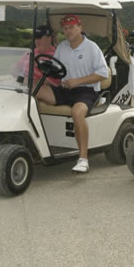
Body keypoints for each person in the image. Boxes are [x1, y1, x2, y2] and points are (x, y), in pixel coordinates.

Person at [36, 14, 109, 173]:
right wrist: (46, 76)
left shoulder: (92, 48)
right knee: (34, 91)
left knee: (77, 113)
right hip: (65, 88)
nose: (68, 31)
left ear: (80, 28)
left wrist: (77, 81)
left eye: (71, 27)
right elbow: (55, 69)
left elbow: (103, 74)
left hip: (86, 91)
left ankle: (83, 159)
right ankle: (35, 143)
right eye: (65, 28)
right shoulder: (62, 47)